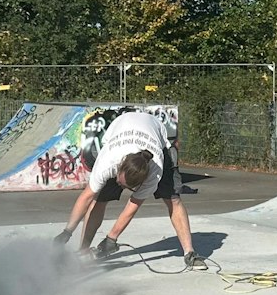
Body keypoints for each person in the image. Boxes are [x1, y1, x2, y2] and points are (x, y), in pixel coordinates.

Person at [52, 109, 204, 269]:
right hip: (120, 128)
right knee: (99, 200)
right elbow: (86, 197)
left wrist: (112, 238)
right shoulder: (108, 161)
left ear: (141, 181)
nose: (120, 186)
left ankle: (190, 253)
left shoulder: (154, 172)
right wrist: (67, 231)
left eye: (126, 187)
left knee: (173, 199)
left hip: (155, 136)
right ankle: (83, 250)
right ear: (119, 169)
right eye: (120, 182)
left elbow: (132, 206)